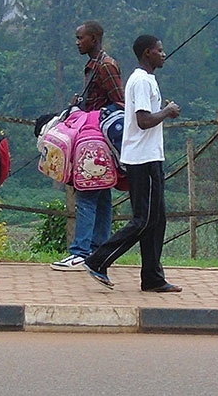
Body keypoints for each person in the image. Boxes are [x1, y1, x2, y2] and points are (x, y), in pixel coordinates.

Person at [83, 34, 182, 292]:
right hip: (142, 160)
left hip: (151, 157)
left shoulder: (149, 79)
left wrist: (163, 109)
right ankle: (98, 260)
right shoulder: (139, 81)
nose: (163, 54)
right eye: (159, 50)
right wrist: (168, 111)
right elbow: (143, 120)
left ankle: (152, 277)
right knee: (143, 219)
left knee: (157, 219)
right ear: (147, 53)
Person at [51, 21, 124, 271]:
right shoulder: (94, 66)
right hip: (91, 137)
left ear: (94, 38)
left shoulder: (106, 66)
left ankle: (80, 251)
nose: (77, 42)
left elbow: (120, 103)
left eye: (80, 38)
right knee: (101, 196)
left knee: (86, 195)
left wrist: (94, 114)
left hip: (95, 142)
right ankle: (99, 250)